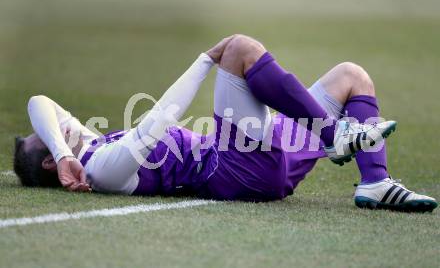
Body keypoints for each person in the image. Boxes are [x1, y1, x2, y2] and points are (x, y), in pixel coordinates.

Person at [13, 35, 437, 212]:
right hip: (235, 169)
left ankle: (375, 181)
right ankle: (335, 135)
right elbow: (161, 118)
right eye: (52, 137)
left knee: (351, 76)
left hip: (255, 158)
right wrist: (203, 62)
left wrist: (64, 149)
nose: (65, 123)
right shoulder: (103, 167)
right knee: (240, 49)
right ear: (50, 163)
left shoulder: (81, 149)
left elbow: (39, 102)